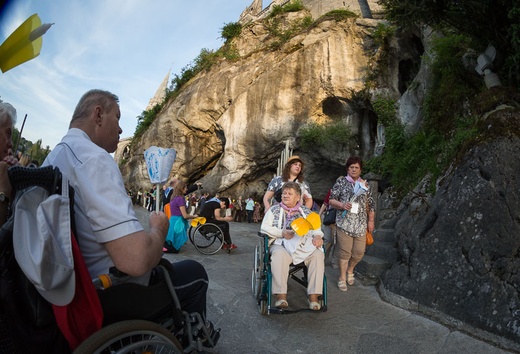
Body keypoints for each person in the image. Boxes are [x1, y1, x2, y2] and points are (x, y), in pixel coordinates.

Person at [42, 90, 211, 327]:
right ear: (98, 115)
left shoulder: (52, 159)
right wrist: (158, 230)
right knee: (195, 273)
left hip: (66, 293)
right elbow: (136, 260)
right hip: (108, 293)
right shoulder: (94, 159)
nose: (121, 129)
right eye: (118, 118)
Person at [260, 182, 325, 311]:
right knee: (279, 254)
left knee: (318, 255)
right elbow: (264, 228)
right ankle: (281, 296)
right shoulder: (274, 210)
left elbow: (317, 228)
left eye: (290, 193)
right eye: (284, 193)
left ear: (298, 197)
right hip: (281, 243)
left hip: (303, 245)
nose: (286, 195)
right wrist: (282, 233)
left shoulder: (307, 212)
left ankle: (313, 296)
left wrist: (318, 236)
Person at [328, 156, 375, 292]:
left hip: (360, 224)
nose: (354, 170)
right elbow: (331, 200)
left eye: (356, 167)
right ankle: (342, 277)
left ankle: (350, 270)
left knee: (359, 252)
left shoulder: (365, 185)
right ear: (347, 169)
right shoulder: (341, 182)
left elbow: (371, 205)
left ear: (360, 170)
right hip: (344, 223)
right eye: (351, 167)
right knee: (344, 252)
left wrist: (371, 221)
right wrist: (342, 205)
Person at [164, 180, 199, 253]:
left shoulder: (174, 197)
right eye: (185, 188)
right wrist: (194, 216)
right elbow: (185, 215)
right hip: (178, 222)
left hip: (172, 220)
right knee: (175, 248)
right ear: (181, 188)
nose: (186, 189)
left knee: (171, 241)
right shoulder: (180, 199)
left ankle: (163, 248)